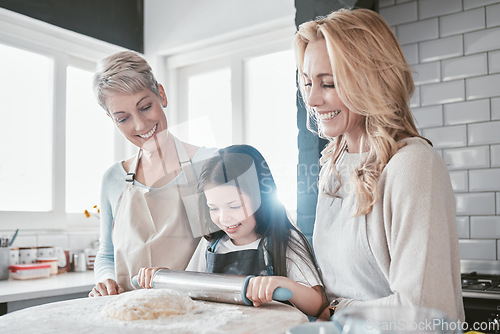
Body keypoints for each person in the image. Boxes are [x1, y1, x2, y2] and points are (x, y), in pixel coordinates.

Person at [293, 8, 464, 321]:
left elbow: (425, 313)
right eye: (307, 83)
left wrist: (331, 312)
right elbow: (338, 288)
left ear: (370, 82)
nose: (313, 100)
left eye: (328, 83)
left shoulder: (413, 167)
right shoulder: (333, 165)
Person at [137, 145, 327, 318]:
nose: (224, 218)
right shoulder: (212, 244)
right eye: (213, 208)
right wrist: (162, 277)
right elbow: (188, 289)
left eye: (234, 206)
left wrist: (284, 284)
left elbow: (318, 304)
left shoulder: (283, 240)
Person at [88, 51, 216, 297]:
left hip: (197, 312)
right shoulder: (113, 179)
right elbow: (106, 252)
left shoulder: (208, 164)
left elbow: (225, 248)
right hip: (131, 315)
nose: (140, 125)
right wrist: (106, 280)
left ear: (162, 94)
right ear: (112, 120)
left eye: (145, 107)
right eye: (123, 118)